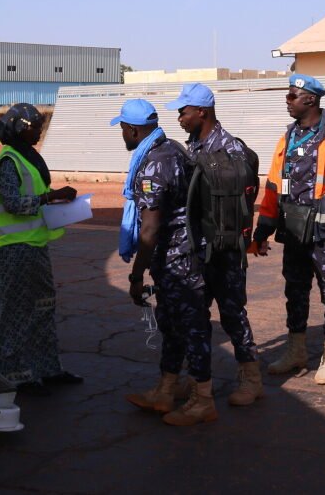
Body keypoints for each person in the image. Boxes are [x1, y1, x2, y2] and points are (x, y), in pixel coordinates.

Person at [252, 74, 325, 385]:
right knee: (295, 291)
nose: (287, 101)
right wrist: (263, 228)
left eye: (292, 96)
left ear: (311, 100)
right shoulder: (287, 138)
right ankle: (296, 351)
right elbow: (274, 187)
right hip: (294, 231)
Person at [116, 99, 216, 426]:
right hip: (179, 256)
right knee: (172, 327)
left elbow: (150, 227)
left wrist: (135, 275)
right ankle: (166, 389)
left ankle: (203, 399)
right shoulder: (170, 148)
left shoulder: (154, 164)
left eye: (122, 128)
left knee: (192, 328)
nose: (122, 134)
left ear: (133, 129)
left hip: (180, 260)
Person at [166, 83, 263, 408]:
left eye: (184, 111)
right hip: (197, 250)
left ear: (201, 112)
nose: (179, 117)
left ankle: (251, 378)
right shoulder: (194, 146)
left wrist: (236, 234)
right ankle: (196, 381)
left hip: (224, 250)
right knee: (194, 316)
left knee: (233, 313)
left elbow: (246, 191)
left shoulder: (230, 149)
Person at [0, 104, 82, 394]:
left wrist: (55, 202)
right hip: (14, 248)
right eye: (34, 125)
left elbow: (34, 198)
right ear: (18, 127)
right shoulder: (8, 161)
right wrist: (50, 196)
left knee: (43, 307)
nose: (39, 129)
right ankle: (11, 373)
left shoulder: (27, 157)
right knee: (18, 311)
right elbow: (14, 203)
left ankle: (47, 369)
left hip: (35, 245)